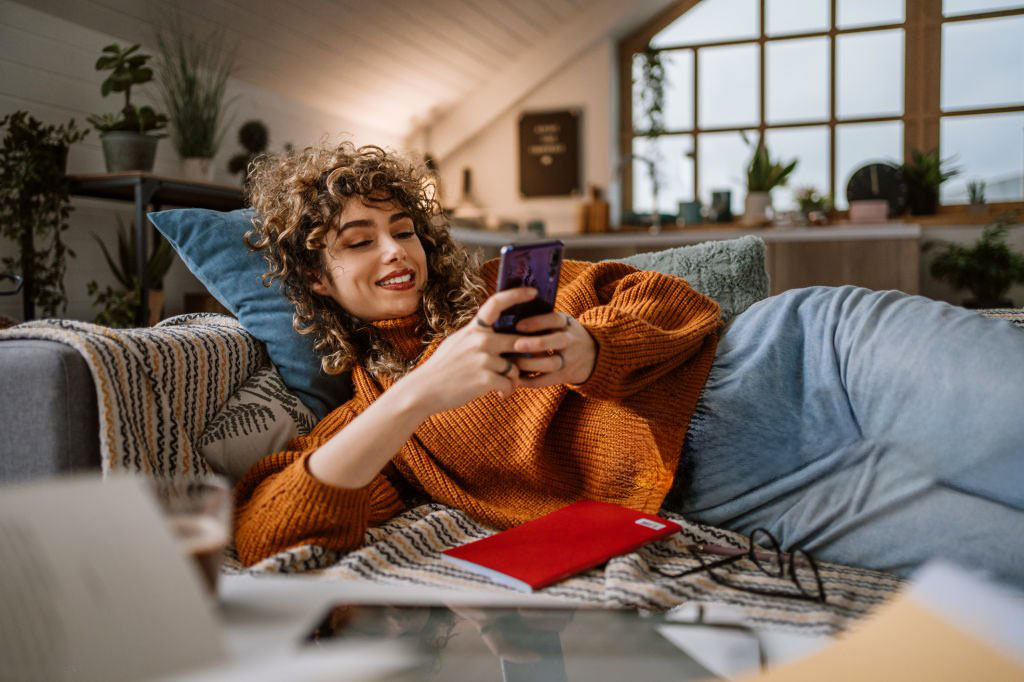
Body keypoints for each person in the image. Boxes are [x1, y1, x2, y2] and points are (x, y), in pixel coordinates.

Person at [235, 142, 1024, 589]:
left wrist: (589, 350)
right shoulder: (379, 426)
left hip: (803, 359)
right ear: (316, 277)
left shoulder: (502, 288)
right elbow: (270, 534)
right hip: (756, 498)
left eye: (402, 228)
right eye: (359, 240)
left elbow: (673, 302)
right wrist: (417, 396)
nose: (394, 251)